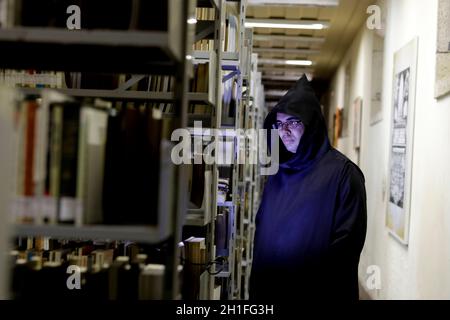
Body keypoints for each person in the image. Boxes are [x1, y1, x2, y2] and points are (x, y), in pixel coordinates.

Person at [249, 75, 367, 301]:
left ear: (311, 125)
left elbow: (345, 250)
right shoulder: (279, 173)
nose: (284, 131)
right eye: (279, 123)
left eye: (293, 122)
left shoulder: (344, 174)